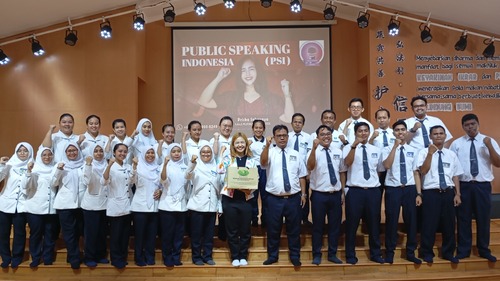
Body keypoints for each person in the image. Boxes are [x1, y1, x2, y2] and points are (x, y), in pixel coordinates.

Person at [450, 114, 500, 262]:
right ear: (463, 127)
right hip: (464, 186)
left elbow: (498, 163)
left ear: (478, 124)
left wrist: (489, 145)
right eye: (467, 125)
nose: (470, 127)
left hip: (482, 185)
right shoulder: (457, 144)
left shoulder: (489, 140)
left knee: (483, 218)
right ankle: (464, 250)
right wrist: (456, 191)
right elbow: (453, 168)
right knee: (463, 218)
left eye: (473, 124)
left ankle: (484, 249)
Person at [197, 56, 294, 123]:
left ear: (258, 71)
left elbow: (289, 119)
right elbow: (203, 101)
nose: (247, 74)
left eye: (251, 69)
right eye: (243, 70)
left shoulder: (271, 98)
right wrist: (218, 78)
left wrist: (287, 95)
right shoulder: (232, 97)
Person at [261, 125, 307, 267]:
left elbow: (302, 176)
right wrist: (266, 147)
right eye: (278, 135)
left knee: (294, 229)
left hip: (293, 198)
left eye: (284, 135)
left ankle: (294, 256)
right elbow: (263, 163)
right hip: (274, 199)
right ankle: (273, 256)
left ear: (288, 137)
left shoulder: (295, 154)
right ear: (274, 137)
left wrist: (303, 193)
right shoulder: (269, 152)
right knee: (273, 229)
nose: (282, 138)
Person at [416, 125, 463, 264]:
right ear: (430, 136)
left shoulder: (451, 154)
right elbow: (423, 171)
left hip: (448, 192)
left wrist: (457, 194)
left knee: (449, 225)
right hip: (431, 193)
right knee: (429, 224)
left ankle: (448, 253)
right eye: (435, 134)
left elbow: (455, 176)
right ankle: (426, 253)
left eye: (441, 133)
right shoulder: (423, 152)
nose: (438, 136)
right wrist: (430, 153)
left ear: (445, 136)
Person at [343, 122, 384, 265]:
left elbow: (379, 170)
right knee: (352, 225)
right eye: (360, 131)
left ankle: (376, 254)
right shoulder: (348, 148)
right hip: (355, 191)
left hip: (373, 191)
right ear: (355, 133)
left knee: (374, 224)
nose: (363, 133)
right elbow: (347, 163)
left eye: (366, 131)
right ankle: (350, 255)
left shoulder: (376, 149)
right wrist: (354, 146)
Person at [381, 120, 421, 264]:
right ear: (393, 132)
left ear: (406, 131)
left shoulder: (413, 150)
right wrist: (394, 147)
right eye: (397, 130)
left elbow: (416, 173)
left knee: (411, 221)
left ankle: (410, 252)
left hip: (410, 188)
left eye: (402, 129)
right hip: (393, 188)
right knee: (391, 221)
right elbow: (386, 165)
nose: (400, 132)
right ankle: (389, 252)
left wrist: (418, 193)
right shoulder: (386, 149)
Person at [307, 125, 346, 265]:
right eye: (322, 134)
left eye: (328, 134)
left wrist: (342, 192)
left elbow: (342, 172)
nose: (326, 136)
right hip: (319, 195)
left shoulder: (338, 151)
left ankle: (332, 254)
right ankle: (316, 255)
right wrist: (313, 148)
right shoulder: (313, 151)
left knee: (334, 226)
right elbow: (310, 167)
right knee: (317, 226)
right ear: (317, 137)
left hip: (335, 194)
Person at [219, 132, 257, 267]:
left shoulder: (252, 160)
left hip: (246, 200)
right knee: (232, 230)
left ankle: (243, 256)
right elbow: (221, 174)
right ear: (233, 145)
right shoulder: (228, 159)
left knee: (246, 230)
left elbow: (254, 181)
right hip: (230, 200)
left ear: (246, 144)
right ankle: (235, 256)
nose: (240, 145)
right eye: (237, 143)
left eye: (242, 142)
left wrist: (246, 188)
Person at [186, 141, 222, 266]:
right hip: (197, 206)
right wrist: (191, 164)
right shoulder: (195, 166)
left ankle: (207, 256)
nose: (206, 154)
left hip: (211, 206)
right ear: (199, 153)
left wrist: (219, 206)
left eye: (208, 152)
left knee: (209, 234)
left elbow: (219, 187)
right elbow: (187, 176)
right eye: (203, 152)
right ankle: (196, 257)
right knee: (196, 234)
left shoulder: (215, 167)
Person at [103, 144, 138, 269]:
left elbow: (132, 182)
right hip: (116, 206)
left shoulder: (128, 166)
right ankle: (116, 258)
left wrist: (134, 167)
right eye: (120, 151)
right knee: (116, 235)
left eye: (125, 152)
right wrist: (108, 165)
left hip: (128, 205)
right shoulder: (110, 166)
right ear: (114, 152)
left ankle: (123, 257)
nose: (122, 153)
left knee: (125, 234)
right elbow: (105, 181)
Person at [0, 142, 34, 268]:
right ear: (16, 152)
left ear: (30, 152)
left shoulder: (34, 165)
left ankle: (17, 257)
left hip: (22, 205)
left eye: (25, 150)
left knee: (20, 233)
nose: (23, 153)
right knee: (3, 233)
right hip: (5, 204)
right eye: (20, 150)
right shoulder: (9, 165)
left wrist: (30, 171)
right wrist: (1, 165)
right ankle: (5, 257)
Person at [52, 142, 85, 269]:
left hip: (81, 204)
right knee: (69, 233)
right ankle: (74, 259)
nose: (72, 153)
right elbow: (54, 183)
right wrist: (59, 170)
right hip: (65, 205)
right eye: (69, 151)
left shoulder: (83, 165)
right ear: (65, 153)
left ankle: (72, 255)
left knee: (78, 232)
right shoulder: (60, 165)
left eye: (74, 150)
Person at [24, 146, 59, 267]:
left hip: (50, 208)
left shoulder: (56, 168)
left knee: (50, 234)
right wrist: (28, 172)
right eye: (44, 155)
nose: (47, 157)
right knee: (36, 234)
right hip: (35, 208)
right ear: (40, 156)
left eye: (49, 154)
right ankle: (36, 257)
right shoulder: (33, 168)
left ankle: (48, 257)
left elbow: (56, 183)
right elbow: (26, 186)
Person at [159, 143, 190, 267]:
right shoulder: (164, 165)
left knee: (179, 234)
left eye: (178, 151)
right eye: (173, 151)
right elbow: (163, 181)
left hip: (181, 206)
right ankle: (167, 257)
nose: (176, 153)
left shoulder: (185, 166)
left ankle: (176, 256)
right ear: (169, 153)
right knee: (167, 234)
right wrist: (165, 165)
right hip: (167, 206)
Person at [131, 147, 162, 266]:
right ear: (143, 154)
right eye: (147, 153)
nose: (150, 155)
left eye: (152, 153)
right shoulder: (137, 167)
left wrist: (160, 190)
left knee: (152, 234)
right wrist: (134, 167)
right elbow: (132, 181)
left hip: (154, 206)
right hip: (140, 206)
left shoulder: (158, 169)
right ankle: (138, 257)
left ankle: (150, 256)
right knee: (139, 235)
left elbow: (163, 183)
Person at [81, 143, 109, 267]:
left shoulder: (107, 164)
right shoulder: (87, 165)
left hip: (105, 204)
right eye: (96, 151)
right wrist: (88, 165)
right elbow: (86, 181)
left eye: (101, 151)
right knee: (91, 233)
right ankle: (89, 257)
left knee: (102, 233)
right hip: (91, 205)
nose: (98, 153)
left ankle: (100, 255)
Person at [287, 113, 312, 225]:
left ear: (303, 124)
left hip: (303, 170)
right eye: (295, 122)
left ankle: (305, 218)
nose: (297, 124)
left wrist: (308, 171)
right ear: (291, 123)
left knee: (304, 193)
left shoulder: (308, 137)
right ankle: (291, 218)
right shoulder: (286, 136)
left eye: (300, 122)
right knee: (291, 194)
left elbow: (310, 154)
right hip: (289, 170)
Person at [248, 119, 268, 227]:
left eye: (260, 128)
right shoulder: (248, 140)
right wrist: (247, 146)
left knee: (265, 195)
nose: (258, 130)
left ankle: (265, 218)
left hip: (265, 169)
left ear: (264, 129)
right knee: (253, 196)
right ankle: (254, 218)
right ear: (252, 128)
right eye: (256, 127)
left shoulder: (268, 141)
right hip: (252, 169)